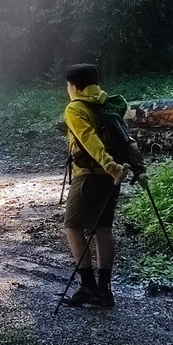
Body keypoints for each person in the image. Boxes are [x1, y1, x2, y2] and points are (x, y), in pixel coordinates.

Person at [60, 63, 130, 308]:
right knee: (103, 228)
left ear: (74, 87)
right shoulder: (107, 104)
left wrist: (109, 165)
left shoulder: (75, 108)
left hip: (89, 175)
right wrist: (134, 168)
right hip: (112, 177)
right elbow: (127, 138)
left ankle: (88, 286)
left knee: (72, 227)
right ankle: (105, 290)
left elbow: (88, 139)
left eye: (68, 86)